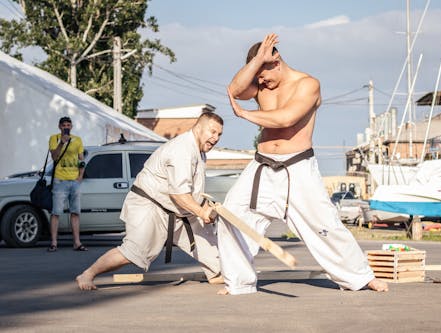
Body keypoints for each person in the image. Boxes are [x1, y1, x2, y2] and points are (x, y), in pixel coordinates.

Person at [217, 33, 389, 295]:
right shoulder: (261, 85)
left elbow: (287, 119)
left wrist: (244, 114)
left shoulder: (308, 84)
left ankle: (360, 277)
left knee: (325, 225)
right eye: (257, 77)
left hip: (297, 167)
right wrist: (256, 63)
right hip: (262, 166)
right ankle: (239, 282)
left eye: (263, 74)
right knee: (232, 215)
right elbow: (235, 90)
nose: (260, 82)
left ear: (277, 60)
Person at [76, 112, 224, 290]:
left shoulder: (199, 151)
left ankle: (218, 273)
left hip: (175, 210)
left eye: (219, 135)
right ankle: (87, 274)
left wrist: (205, 207)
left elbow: (191, 191)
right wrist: (201, 212)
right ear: (199, 127)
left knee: (207, 239)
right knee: (132, 253)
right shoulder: (182, 150)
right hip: (149, 206)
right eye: (213, 132)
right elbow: (178, 194)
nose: (216, 138)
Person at [48, 116, 86, 252]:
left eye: (68, 125)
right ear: (59, 127)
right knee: (56, 212)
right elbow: (54, 156)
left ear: (71, 127)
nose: (66, 127)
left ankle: (77, 242)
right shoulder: (54, 138)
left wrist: (80, 176)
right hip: (60, 180)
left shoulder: (78, 140)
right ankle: (53, 242)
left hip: (74, 181)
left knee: (75, 212)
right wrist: (61, 143)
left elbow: (81, 159)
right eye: (63, 125)